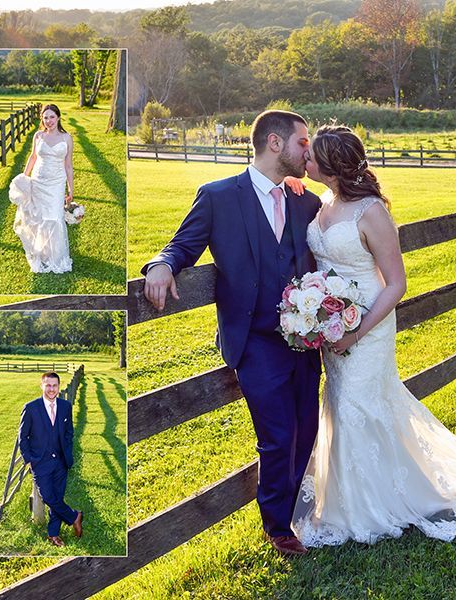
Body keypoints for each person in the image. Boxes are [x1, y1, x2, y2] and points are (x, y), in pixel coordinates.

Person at [282, 124, 456, 547]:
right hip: (333, 317)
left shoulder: (371, 212)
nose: (304, 161)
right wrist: (320, 311)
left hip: (368, 319)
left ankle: (372, 503)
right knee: (339, 401)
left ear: (330, 165)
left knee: (358, 403)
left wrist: (355, 330)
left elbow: (396, 283)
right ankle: (346, 498)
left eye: (311, 156)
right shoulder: (323, 201)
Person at [142, 110, 323, 556]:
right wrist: (162, 265)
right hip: (255, 340)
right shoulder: (219, 196)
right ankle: (277, 525)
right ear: (276, 144)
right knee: (278, 434)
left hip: (306, 341)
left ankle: (295, 508)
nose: (309, 151)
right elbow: (183, 243)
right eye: (303, 142)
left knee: (308, 427)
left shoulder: (306, 201)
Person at [18, 372, 82, 546]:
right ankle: (74, 516)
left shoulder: (65, 406)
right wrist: (29, 460)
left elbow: (69, 431)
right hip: (40, 462)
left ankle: (53, 534)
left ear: (58, 387)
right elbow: (22, 437)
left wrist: (66, 450)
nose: (51, 389)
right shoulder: (31, 408)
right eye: (48, 385)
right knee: (48, 496)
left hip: (61, 461)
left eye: (54, 385)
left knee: (58, 497)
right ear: (42, 386)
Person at [10, 103, 73, 273]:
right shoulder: (38, 136)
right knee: (38, 217)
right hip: (38, 180)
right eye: (45, 117)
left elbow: (68, 165)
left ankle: (56, 258)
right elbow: (32, 157)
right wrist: (24, 177)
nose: (49, 120)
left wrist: (70, 189)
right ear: (42, 119)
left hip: (56, 183)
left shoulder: (67, 138)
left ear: (58, 117)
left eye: (52, 117)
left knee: (54, 217)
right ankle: (42, 253)